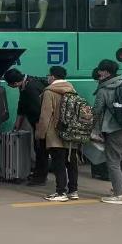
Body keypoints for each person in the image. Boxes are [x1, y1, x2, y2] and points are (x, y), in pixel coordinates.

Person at [92, 59, 122, 205]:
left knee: (113, 163)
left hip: (116, 132)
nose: (99, 72)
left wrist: (94, 129)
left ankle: (119, 195)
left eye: (100, 70)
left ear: (106, 72)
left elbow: (96, 112)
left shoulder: (104, 90)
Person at [34, 65, 80, 201]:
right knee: (71, 162)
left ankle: (61, 192)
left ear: (53, 76)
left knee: (58, 163)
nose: (48, 78)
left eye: (49, 75)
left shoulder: (49, 92)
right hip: (71, 133)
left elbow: (45, 115)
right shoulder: (72, 90)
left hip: (55, 134)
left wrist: (40, 134)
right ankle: (73, 191)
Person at [3, 68, 49, 185]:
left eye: (9, 84)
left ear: (15, 83)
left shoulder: (30, 89)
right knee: (39, 149)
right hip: (37, 123)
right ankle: (38, 174)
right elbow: (22, 104)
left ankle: (40, 178)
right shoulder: (26, 83)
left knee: (40, 149)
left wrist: (39, 130)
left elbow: (38, 111)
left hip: (41, 124)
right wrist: (17, 123)